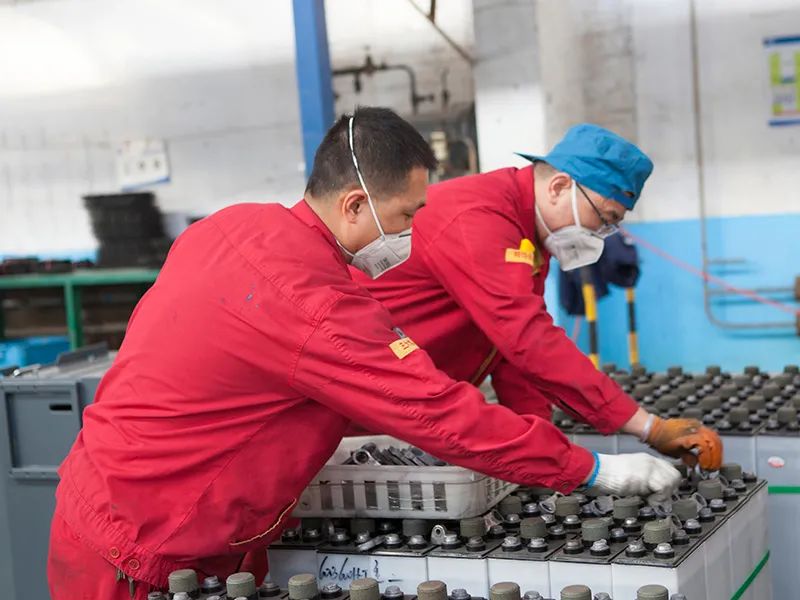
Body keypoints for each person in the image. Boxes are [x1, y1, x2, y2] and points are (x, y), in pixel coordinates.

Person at [47, 110, 681, 600]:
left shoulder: (231, 225)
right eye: (406, 217)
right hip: (148, 546)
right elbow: (435, 410)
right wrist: (588, 469)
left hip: (114, 497)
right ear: (355, 204)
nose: (413, 234)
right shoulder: (316, 305)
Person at [353, 122, 723, 475]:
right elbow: (528, 339)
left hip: (406, 399)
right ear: (559, 187)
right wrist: (646, 426)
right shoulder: (479, 218)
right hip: (364, 400)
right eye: (605, 218)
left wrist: (544, 452)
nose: (603, 233)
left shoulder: (528, 235)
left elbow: (512, 360)